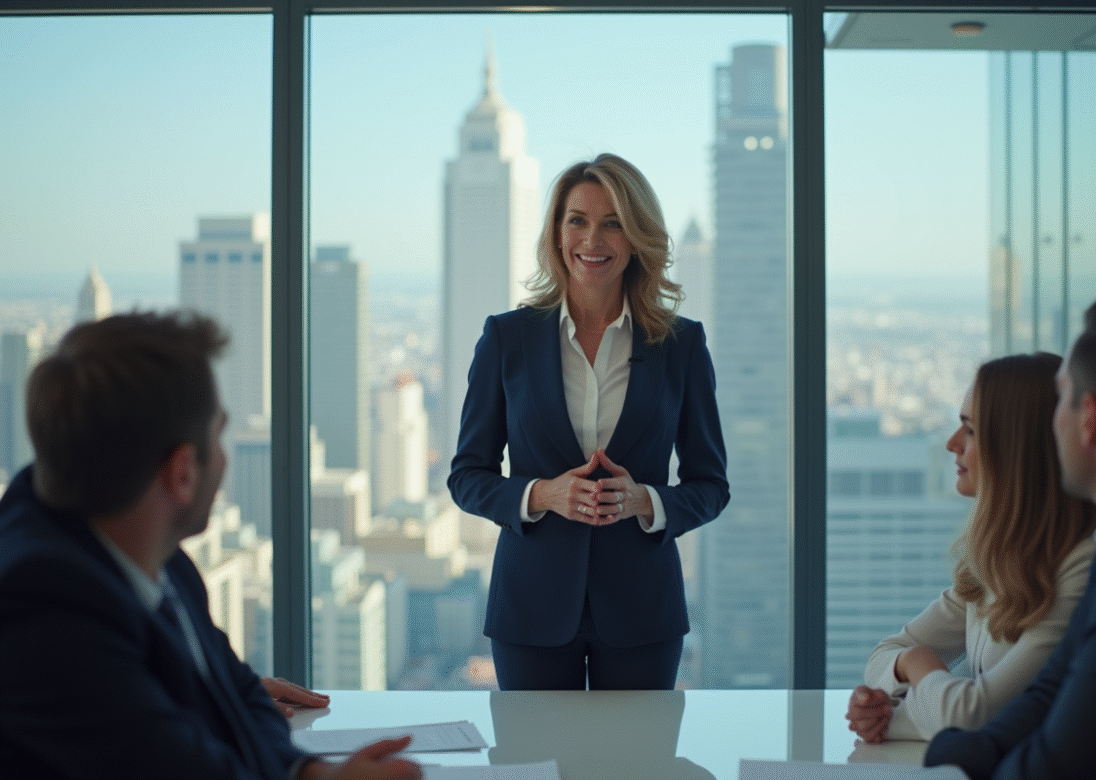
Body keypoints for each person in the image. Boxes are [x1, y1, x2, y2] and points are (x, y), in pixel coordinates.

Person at [0, 311, 420, 780]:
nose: (224, 457)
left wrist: (305, 772)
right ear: (182, 473)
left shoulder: (151, 551)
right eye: (218, 435)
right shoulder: (45, 616)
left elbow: (240, 693)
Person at [447, 153, 729, 690]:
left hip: (643, 611)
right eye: (577, 219)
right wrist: (542, 495)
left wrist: (645, 500)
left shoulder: (680, 344)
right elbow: (467, 476)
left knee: (635, 769)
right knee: (535, 769)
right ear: (556, 233)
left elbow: (710, 485)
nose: (592, 240)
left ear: (637, 237)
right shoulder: (508, 339)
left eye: (613, 223)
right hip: (530, 608)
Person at [924, 289, 1096, 779]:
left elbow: (1056, 766)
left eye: (1062, 400)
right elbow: (1043, 701)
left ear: (1091, 420)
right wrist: (954, 754)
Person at [847, 352, 1096, 743]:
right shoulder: (1000, 560)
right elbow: (886, 652)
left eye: (970, 430)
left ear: (1015, 449)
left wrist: (915, 665)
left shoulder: (1082, 567)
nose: (951, 443)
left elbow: (975, 716)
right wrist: (892, 711)